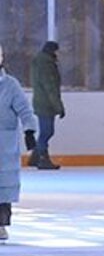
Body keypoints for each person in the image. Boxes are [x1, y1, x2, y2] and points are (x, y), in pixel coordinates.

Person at [0, 44, 38, 242]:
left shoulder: (10, 85)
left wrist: (30, 130)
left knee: (2, 188)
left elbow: (24, 109)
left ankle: (0, 224)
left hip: (3, 145)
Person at [29, 40, 64, 170]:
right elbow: (50, 87)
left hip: (42, 102)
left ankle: (35, 157)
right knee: (47, 131)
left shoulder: (41, 61)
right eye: (56, 51)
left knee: (46, 131)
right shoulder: (46, 64)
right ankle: (41, 158)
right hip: (46, 104)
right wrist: (58, 106)